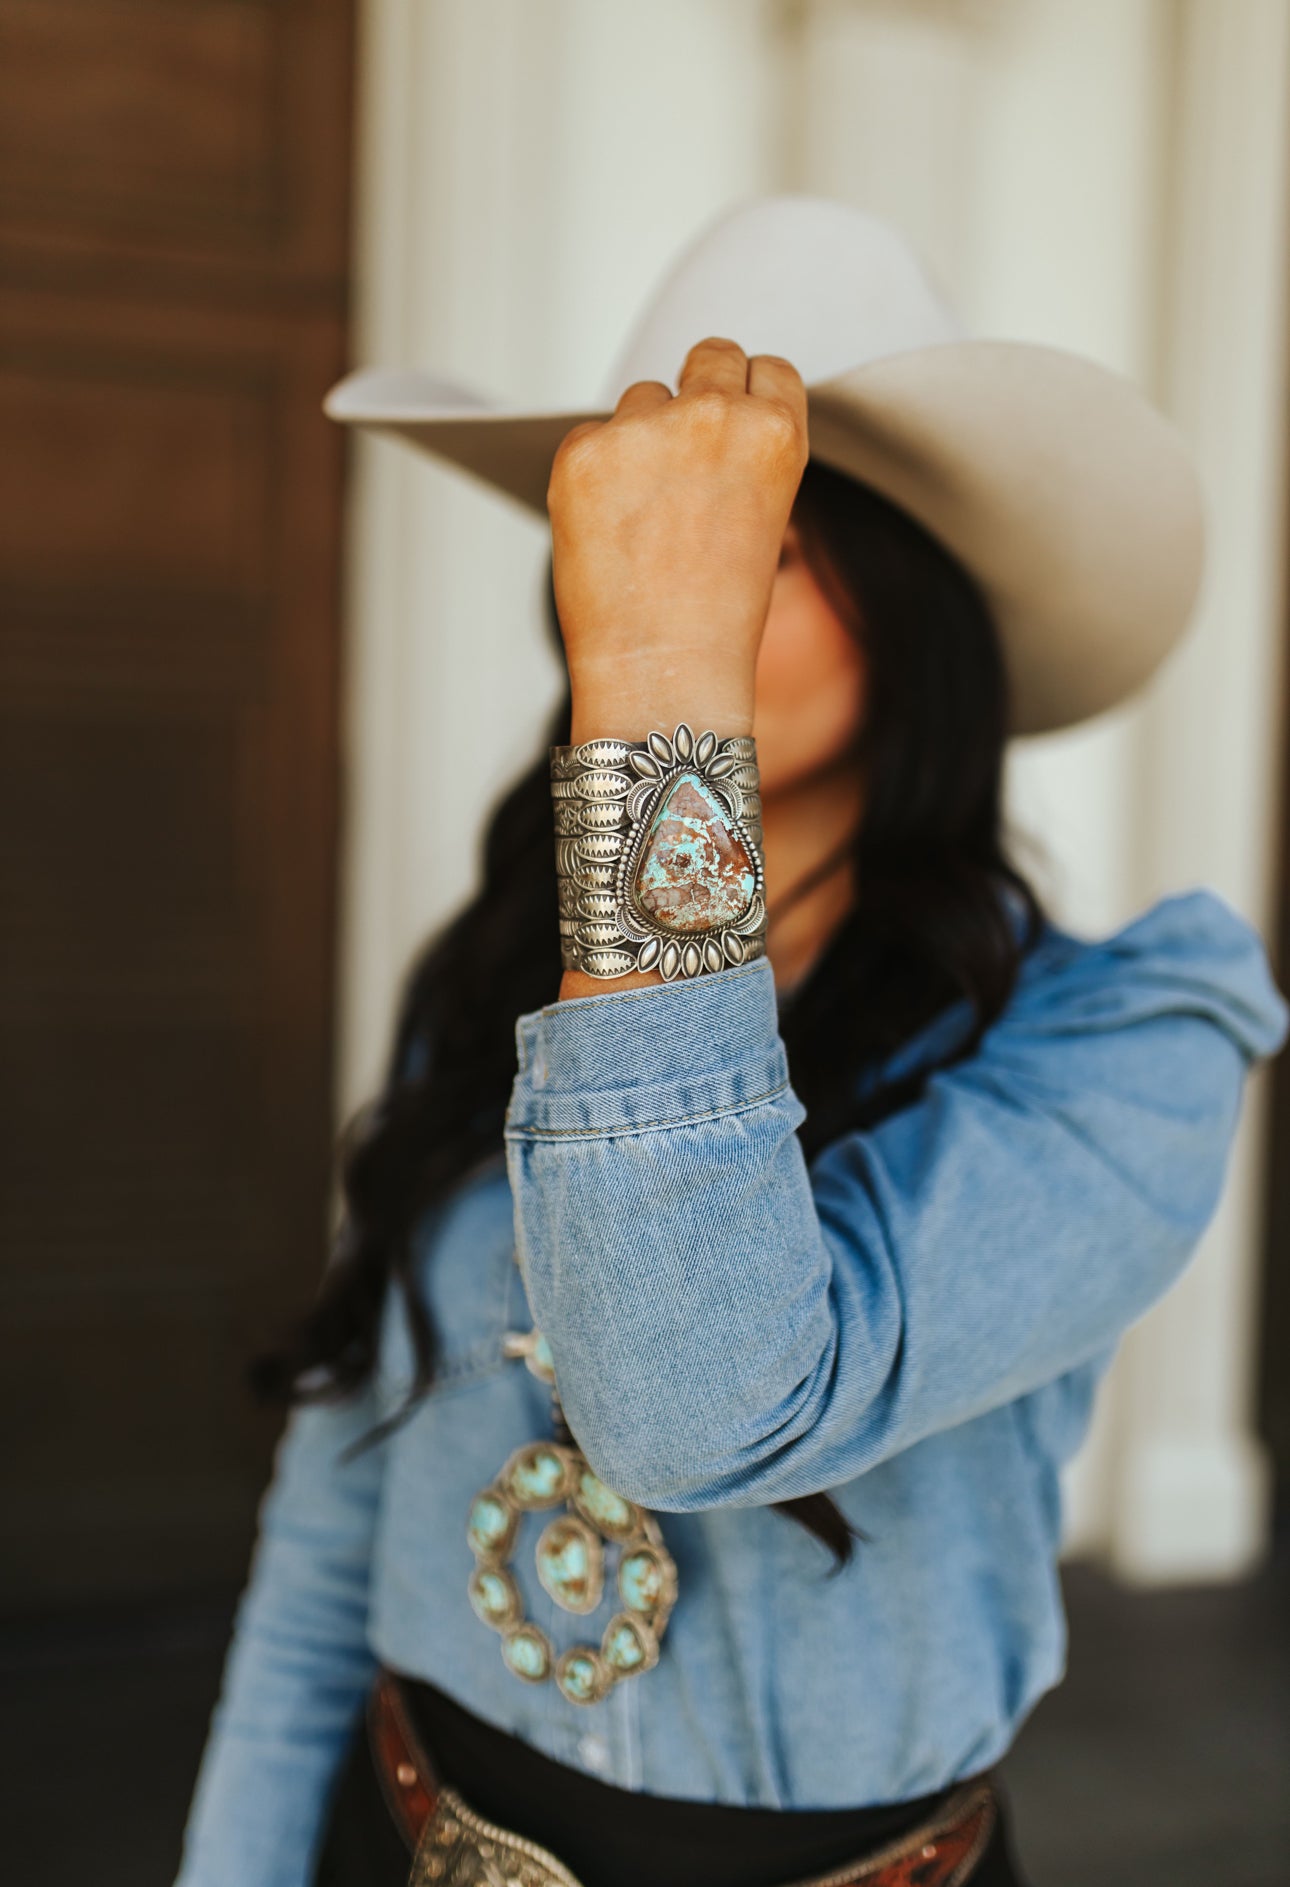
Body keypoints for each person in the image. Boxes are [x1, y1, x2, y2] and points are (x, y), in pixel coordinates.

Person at [174, 198, 1287, 1887]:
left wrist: (662, 683)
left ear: (909, 607)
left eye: (751, 539)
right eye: (640, 539)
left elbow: (699, 1408)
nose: (669, 587)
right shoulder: (485, 986)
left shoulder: (1124, 1040)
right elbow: (339, 1502)